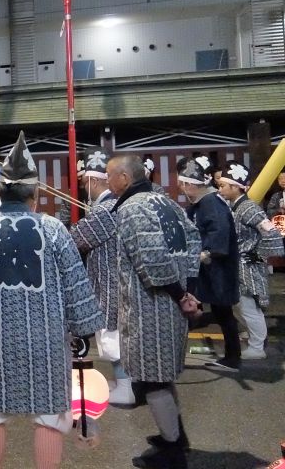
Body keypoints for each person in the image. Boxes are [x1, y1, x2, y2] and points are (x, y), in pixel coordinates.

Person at [0, 132, 105, 469]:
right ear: (35, 194)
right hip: (46, 341)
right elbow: (75, 285)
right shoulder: (54, 230)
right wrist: (83, 330)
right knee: (49, 413)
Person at [107, 155, 201, 469]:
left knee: (153, 379)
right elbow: (193, 241)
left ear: (124, 178)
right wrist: (189, 290)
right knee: (161, 374)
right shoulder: (167, 202)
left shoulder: (133, 208)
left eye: (109, 175)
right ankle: (176, 435)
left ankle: (172, 450)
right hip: (173, 304)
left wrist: (180, 295)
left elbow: (152, 259)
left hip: (152, 307)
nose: (108, 181)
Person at [68, 148, 134, 407]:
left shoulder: (106, 209)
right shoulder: (115, 206)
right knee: (117, 333)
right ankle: (124, 383)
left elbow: (77, 239)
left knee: (112, 335)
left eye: (84, 181)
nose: (83, 186)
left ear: (94, 181)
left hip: (109, 282)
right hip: (117, 279)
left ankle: (126, 388)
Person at [177, 156, 242, 372]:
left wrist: (204, 253)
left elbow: (219, 233)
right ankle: (232, 357)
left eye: (183, 184)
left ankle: (233, 358)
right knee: (218, 311)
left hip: (217, 267)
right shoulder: (201, 203)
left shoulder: (211, 203)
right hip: (209, 268)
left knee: (222, 311)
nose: (182, 189)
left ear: (189, 184)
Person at [218, 163, 284, 359]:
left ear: (235, 187)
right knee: (239, 305)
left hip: (247, 264)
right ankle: (253, 335)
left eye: (223, 186)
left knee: (248, 306)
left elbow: (271, 232)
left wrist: (260, 255)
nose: (220, 189)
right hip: (238, 263)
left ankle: (257, 347)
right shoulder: (236, 206)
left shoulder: (248, 208)